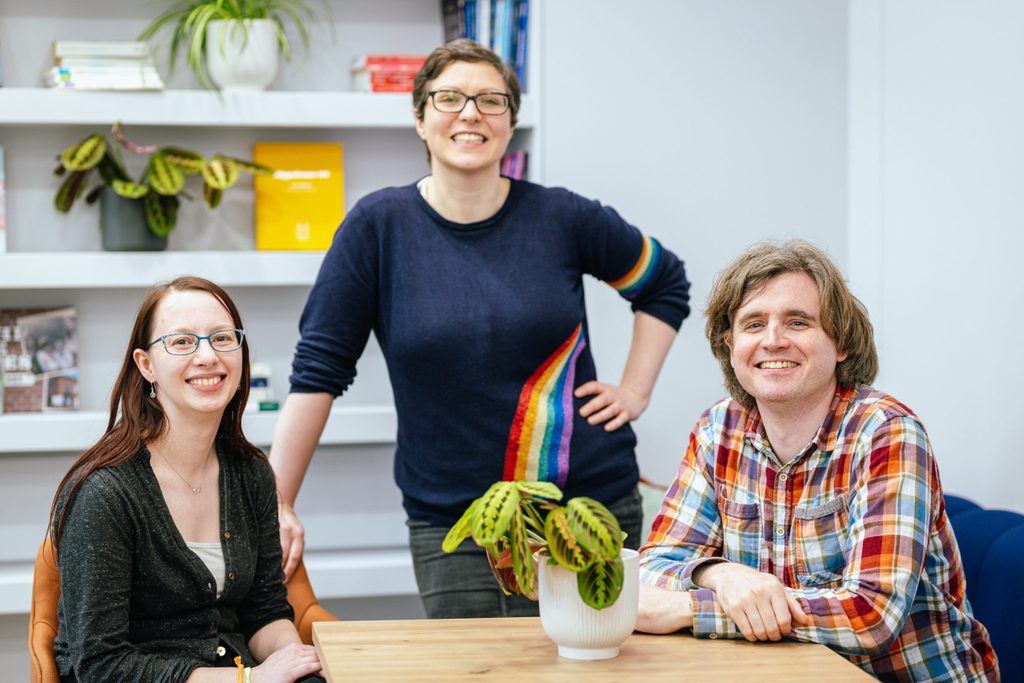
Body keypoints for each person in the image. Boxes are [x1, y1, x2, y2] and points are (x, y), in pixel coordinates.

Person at [269, 39, 691, 619]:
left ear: (511, 122)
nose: (470, 113)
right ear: (419, 118)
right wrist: (276, 502)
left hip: (584, 506)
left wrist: (635, 390)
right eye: (449, 98)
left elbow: (664, 282)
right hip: (455, 522)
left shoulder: (562, 218)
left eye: (491, 101)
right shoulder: (377, 227)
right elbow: (317, 372)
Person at [636, 240, 999, 681]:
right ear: (730, 344)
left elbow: (871, 615)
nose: (773, 340)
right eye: (753, 324)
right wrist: (720, 575)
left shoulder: (886, 432)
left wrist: (690, 606)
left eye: (798, 322)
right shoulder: (719, 430)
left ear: (841, 343)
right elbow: (654, 566)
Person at [48, 276, 323, 682]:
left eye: (222, 338)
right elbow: (101, 665)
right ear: (146, 365)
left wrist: (295, 661)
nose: (208, 356)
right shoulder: (104, 493)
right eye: (181, 342)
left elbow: (264, 612)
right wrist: (249, 680)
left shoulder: (251, 473)